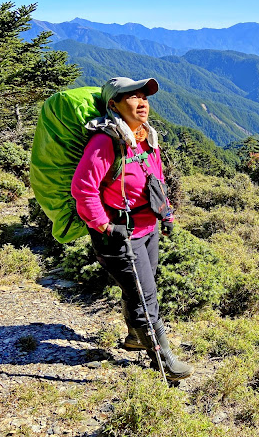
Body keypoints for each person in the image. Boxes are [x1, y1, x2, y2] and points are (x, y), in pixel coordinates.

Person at [71, 77, 193, 381]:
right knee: (145, 295)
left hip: (147, 227)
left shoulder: (146, 137)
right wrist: (106, 228)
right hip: (120, 234)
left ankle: (135, 337)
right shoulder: (106, 142)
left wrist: (166, 215)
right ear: (113, 104)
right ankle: (162, 359)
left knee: (140, 287)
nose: (142, 103)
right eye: (133, 97)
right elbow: (83, 190)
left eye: (144, 97)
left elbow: (157, 180)